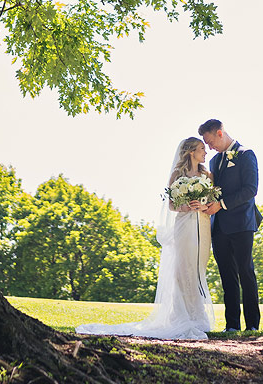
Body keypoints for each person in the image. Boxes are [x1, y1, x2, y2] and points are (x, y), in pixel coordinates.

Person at [76, 137, 215, 339]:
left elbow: (211, 203)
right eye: (202, 148)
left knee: (198, 268)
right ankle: (184, 316)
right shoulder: (177, 175)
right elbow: (171, 205)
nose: (205, 152)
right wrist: (185, 206)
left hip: (202, 225)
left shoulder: (207, 175)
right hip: (183, 224)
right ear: (191, 152)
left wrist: (202, 206)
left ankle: (198, 314)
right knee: (182, 269)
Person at [199, 118, 260, 332]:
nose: (209, 147)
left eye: (209, 141)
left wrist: (221, 205)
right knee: (227, 275)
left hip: (242, 223)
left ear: (220, 132)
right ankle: (232, 325)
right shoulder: (215, 162)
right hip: (219, 227)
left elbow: (250, 190)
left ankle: (252, 325)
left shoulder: (246, 154)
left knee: (246, 271)